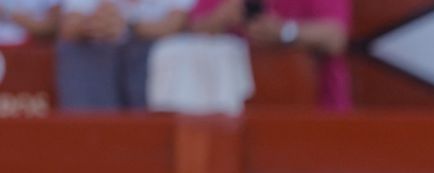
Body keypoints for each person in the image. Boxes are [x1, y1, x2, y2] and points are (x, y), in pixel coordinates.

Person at [186, 0, 348, 110]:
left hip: (316, 111)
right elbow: (192, 29)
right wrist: (221, 17)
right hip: (235, 113)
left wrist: (284, 32)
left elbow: (336, 38)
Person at [53, 0, 190, 109]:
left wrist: (128, 27)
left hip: (147, 58)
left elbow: (175, 25)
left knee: (153, 50)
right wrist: (96, 24)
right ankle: (91, 126)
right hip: (98, 60)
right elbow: (69, 26)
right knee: (79, 50)